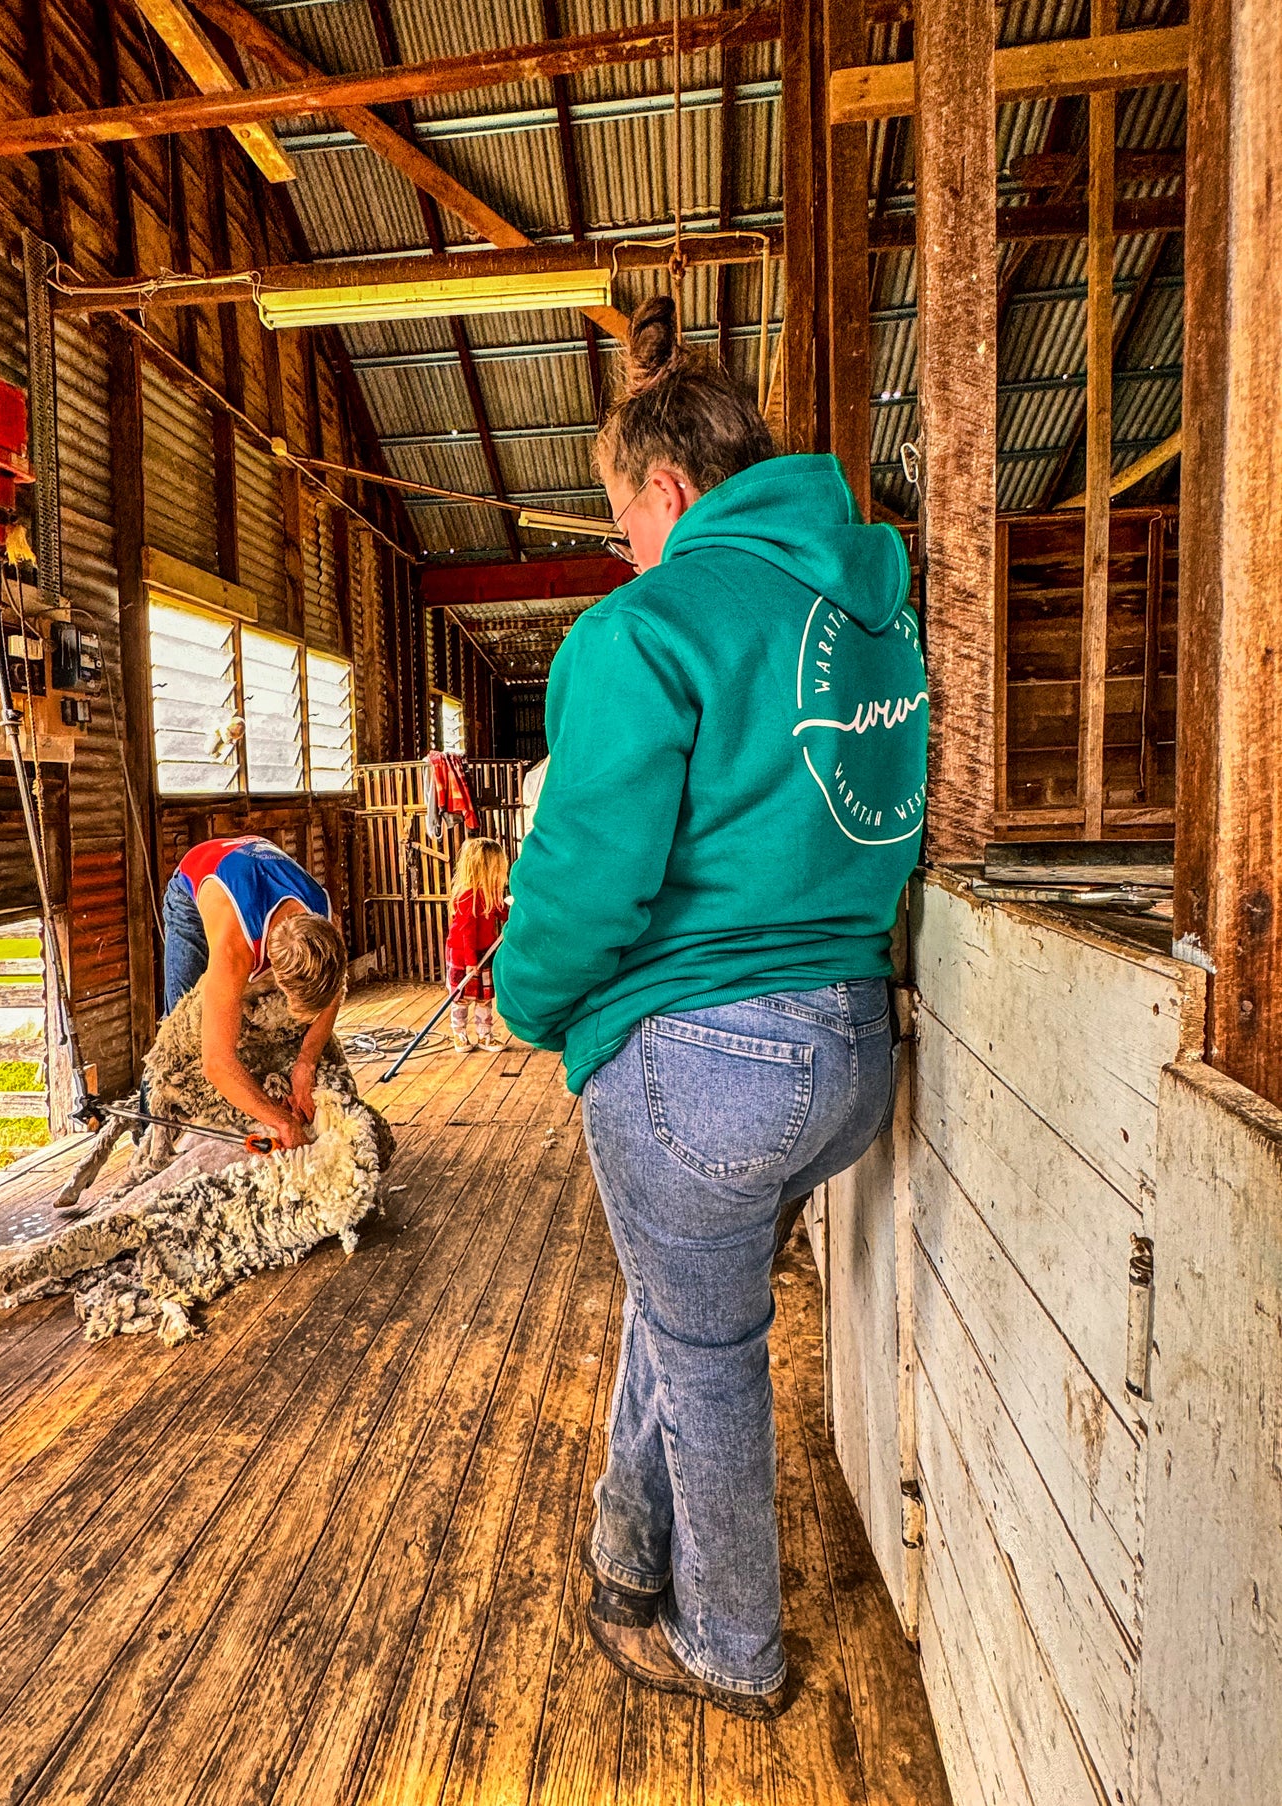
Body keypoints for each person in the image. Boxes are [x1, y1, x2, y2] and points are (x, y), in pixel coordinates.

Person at [494, 296, 927, 1721]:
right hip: (853, 1051)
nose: (623, 551)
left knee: (712, 1349)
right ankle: (628, 1539)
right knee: (685, 1298)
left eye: (624, 522)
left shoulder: (649, 625)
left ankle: (729, 1644)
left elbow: (584, 876)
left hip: (707, 1056)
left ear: (666, 490)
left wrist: (531, 1005)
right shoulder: (871, 604)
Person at [162, 833, 348, 1149]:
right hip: (201, 878)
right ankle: (150, 1140)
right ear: (275, 974)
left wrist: (307, 1062)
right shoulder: (236, 948)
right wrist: (281, 1120)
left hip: (252, 862)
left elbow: (334, 989)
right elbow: (216, 1060)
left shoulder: (327, 924)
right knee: (179, 1031)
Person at [445, 836, 509, 1053]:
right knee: (461, 997)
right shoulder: (468, 896)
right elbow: (466, 932)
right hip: (464, 954)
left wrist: (516, 912)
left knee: (484, 997)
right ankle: (459, 1033)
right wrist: (471, 962)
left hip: (485, 951)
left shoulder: (490, 893)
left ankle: (484, 1035)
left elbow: (501, 911)